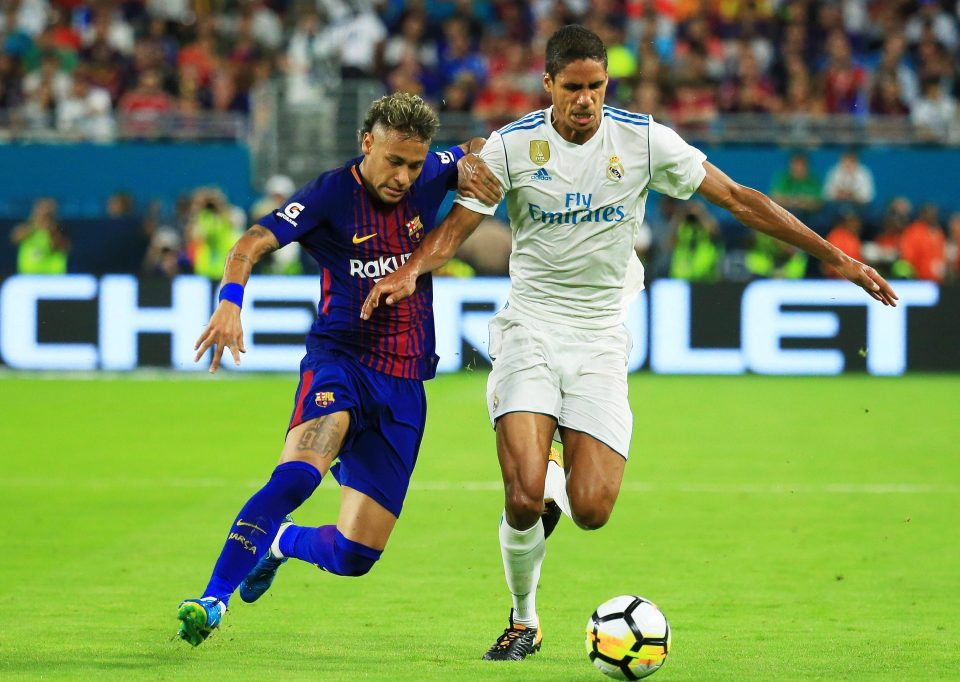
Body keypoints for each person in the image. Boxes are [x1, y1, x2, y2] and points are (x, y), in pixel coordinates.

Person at [361, 25, 898, 662]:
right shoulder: (513, 147)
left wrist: (839, 258)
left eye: (595, 87)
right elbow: (455, 229)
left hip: (599, 337)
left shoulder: (644, 141)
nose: (585, 100)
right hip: (530, 326)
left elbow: (741, 202)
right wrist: (412, 269)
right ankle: (524, 620)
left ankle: (561, 475)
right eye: (573, 88)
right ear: (549, 85)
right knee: (522, 495)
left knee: (591, 510)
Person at [176, 92, 501, 646]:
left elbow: (473, 147)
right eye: (393, 161)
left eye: (414, 165)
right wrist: (230, 300)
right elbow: (250, 243)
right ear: (366, 143)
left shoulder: (432, 172)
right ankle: (212, 599)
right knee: (298, 475)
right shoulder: (330, 194)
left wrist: (469, 158)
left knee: (355, 556)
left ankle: (280, 545)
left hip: (404, 383)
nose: (403, 177)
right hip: (340, 362)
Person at [11, 198, 69, 274]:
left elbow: (63, 247)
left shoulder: (61, 230)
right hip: (28, 278)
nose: (44, 215)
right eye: (41, 210)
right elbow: (16, 238)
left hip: (54, 278)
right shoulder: (27, 229)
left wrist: (50, 229)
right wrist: (36, 225)